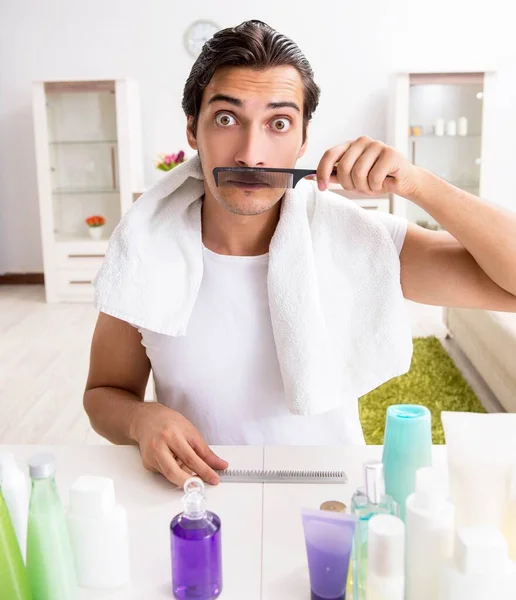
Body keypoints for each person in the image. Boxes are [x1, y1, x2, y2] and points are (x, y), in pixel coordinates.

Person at [83, 20, 516, 488]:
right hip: (196, 503)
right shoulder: (147, 252)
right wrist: (139, 419)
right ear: (193, 129)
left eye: (279, 123)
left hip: (331, 503)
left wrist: (419, 184)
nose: (252, 154)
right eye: (227, 119)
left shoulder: (360, 242)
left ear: (303, 140)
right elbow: (104, 393)